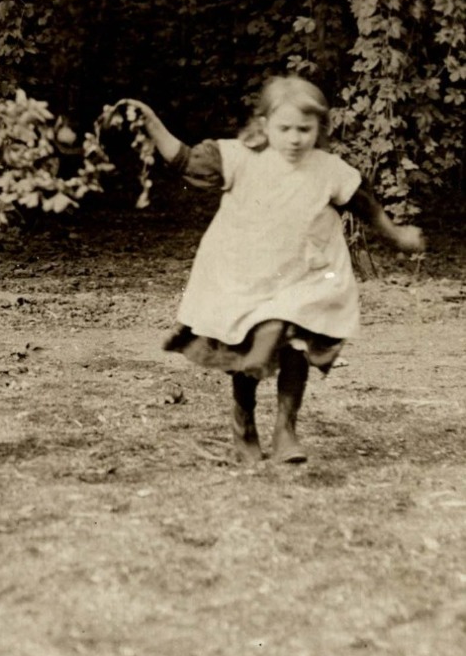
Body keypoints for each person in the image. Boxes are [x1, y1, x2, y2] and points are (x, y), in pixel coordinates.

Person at [121, 78, 424, 465]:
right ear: (264, 125)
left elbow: (365, 206)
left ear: (319, 129)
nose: (295, 139)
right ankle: (244, 424)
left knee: (295, 344)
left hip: (304, 276)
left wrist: (397, 236)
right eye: (285, 129)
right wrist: (152, 125)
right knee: (249, 351)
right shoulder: (238, 158)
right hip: (246, 276)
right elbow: (184, 159)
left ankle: (286, 430)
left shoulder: (328, 169)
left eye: (305, 129)